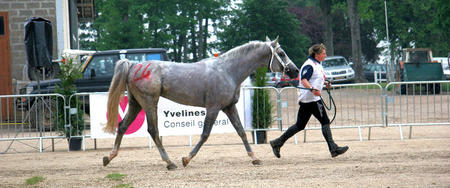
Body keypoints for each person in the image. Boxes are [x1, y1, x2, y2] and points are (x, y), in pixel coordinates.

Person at [269, 44, 348, 158]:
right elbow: (304, 79)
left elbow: (315, 78)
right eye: (324, 53)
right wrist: (312, 89)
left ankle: (277, 142)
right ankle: (333, 148)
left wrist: (325, 83)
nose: (325, 55)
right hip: (312, 99)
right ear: (317, 54)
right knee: (325, 121)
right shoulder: (310, 65)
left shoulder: (316, 64)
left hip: (309, 99)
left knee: (300, 125)